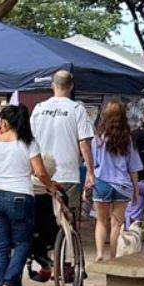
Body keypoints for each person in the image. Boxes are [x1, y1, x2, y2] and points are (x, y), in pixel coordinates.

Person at [0, 104, 56, 286]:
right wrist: (51, 187)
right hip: (21, 196)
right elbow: (40, 172)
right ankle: (8, 285)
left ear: (5, 122)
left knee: (2, 245)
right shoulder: (28, 143)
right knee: (23, 243)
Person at [29, 70, 95, 226]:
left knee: (43, 222)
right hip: (68, 175)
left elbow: (29, 141)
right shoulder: (77, 109)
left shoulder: (38, 108)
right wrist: (91, 171)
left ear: (53, 86)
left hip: (42, 175)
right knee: (69, 221)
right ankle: (69, 247)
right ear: (71, 86)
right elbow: (84, 143)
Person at [90, 100, 143, 263]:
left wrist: (89, 182)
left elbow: (93, 165)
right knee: (116, 224)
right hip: (122, 186)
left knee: (101, 221)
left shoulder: (97, 139)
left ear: (104, 116)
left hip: (102, 183)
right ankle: (113, 257)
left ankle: (99, 253)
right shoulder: (128, 140)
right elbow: (133, 168)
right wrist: (135, 190)